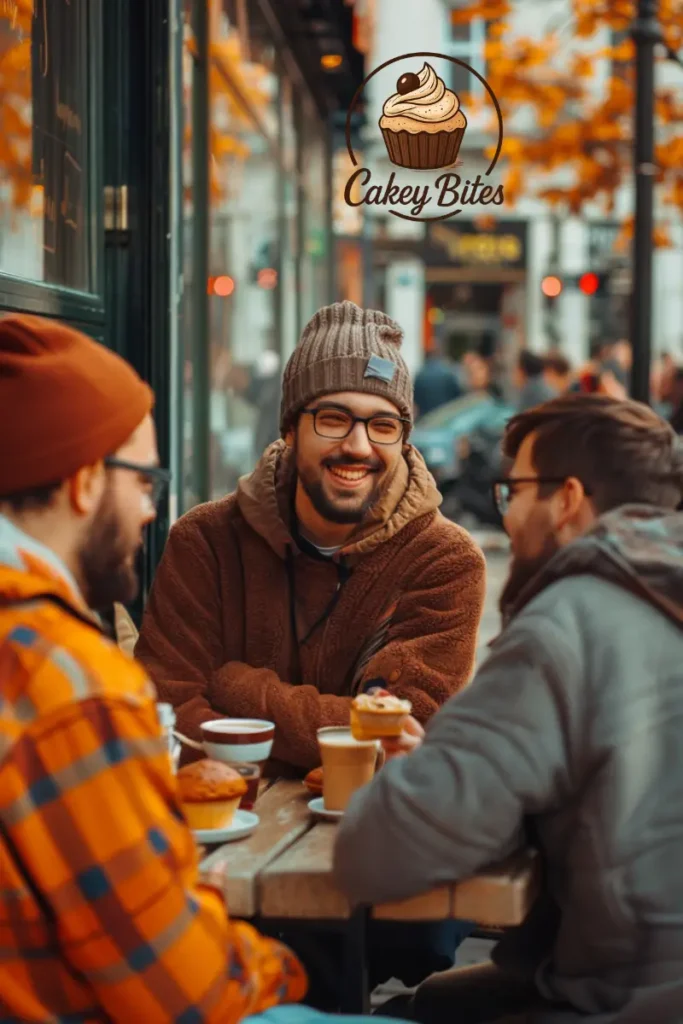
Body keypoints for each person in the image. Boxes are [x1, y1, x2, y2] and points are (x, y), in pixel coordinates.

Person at [334, 393, 683, 1023]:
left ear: (568, 499)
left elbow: (373, 853)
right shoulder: (662, 591)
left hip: (619, 1004)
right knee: (434, 999)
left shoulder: (567, 624)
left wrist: (436, 765)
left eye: (515, 491)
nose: (510, 512)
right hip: (624, 979)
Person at [0, 315, 306, 1022]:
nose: (150, 512)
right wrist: (285, 972)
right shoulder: (71, 686)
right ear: (83, 483)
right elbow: (185, 993)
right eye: (146, 481)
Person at [136, 300, 485, 775]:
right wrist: (343, 731)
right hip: (217, 829)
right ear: (290, 429)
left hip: (368, 837)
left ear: (403, 440)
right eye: (334, 418)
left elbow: (403, 731)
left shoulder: (444, 559)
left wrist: (235, 687)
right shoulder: (205, 541)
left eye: (383, 426)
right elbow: (167, 715)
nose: (358, 447)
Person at [413, 347, 462, 419]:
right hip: (446, 416)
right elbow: (457, 396)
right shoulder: (448, 372)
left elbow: (415, 398)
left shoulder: (420, 374)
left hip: (425, 418)